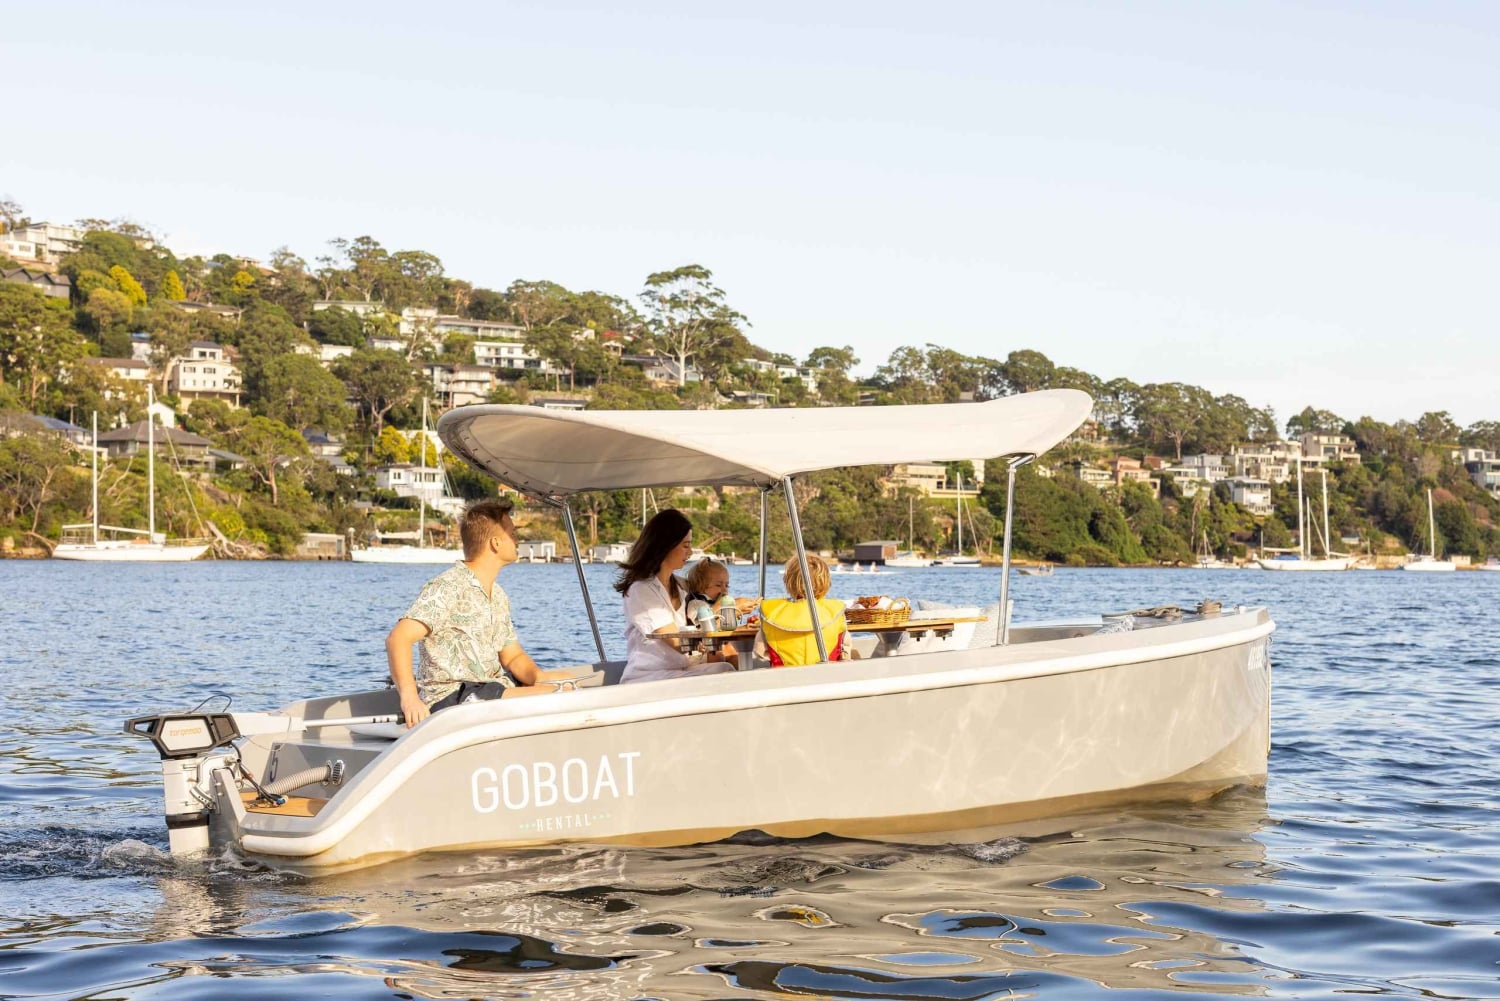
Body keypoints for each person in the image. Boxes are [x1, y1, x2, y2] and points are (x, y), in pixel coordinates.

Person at [386, 498, 580, 728]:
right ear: (496, 543)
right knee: (558, 697)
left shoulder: (497, 595)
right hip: (451, 697)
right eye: (512, 533)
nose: (518, 540)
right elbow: (398, 639)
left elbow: (512, 657)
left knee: (568, 688)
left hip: (489, 690)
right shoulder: (448, 586)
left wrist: (541, 678)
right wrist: (410, 699)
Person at [615, 509, 736, 684]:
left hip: (679, 672)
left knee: (731, 660)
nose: (690, 552)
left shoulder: (682, 585)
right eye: (685, 546)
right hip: (648, 678)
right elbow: (676, 641)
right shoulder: (641, 590)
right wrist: (718, 610)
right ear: (666, 546)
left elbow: (701, 612)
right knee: (724, 671)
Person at [756, 554, 852, 667]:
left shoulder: (771, 614)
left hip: (784, 678)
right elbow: (845, 651)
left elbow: (760, 652)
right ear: (826, 582)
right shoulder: (835, 612)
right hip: (826, 676)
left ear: (788, 581)